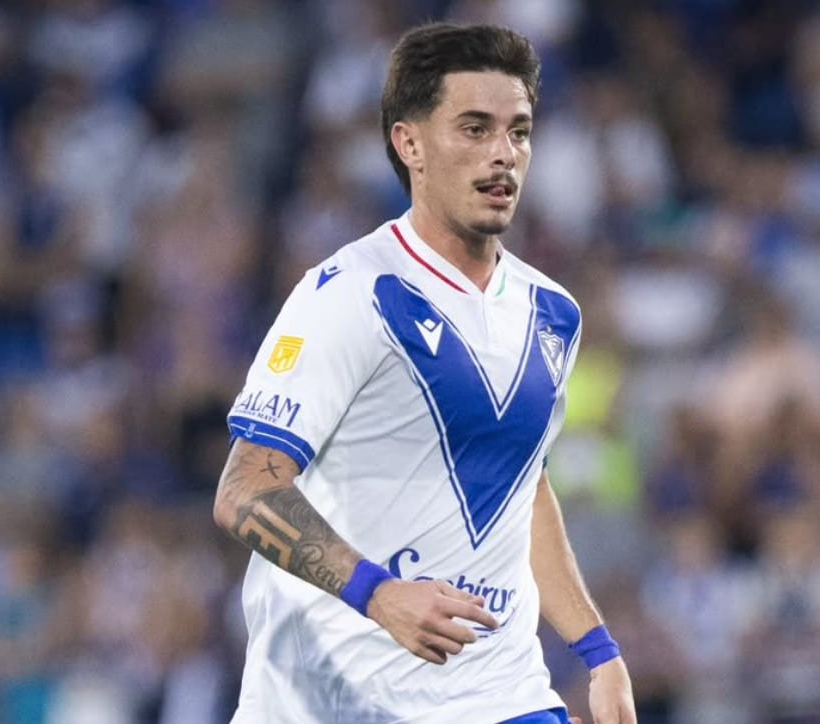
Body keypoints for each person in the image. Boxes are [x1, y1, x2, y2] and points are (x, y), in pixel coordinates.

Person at [213, 22, 638, 724]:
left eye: (519, 132)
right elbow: (244, 491)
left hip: (498, 694)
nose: (503, 154)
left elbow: (523, 488)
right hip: (332, 699)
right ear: (409, 144)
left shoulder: (553, 314)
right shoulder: (348, 294)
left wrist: (597, 650)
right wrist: (378, 595)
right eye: (474, 128)